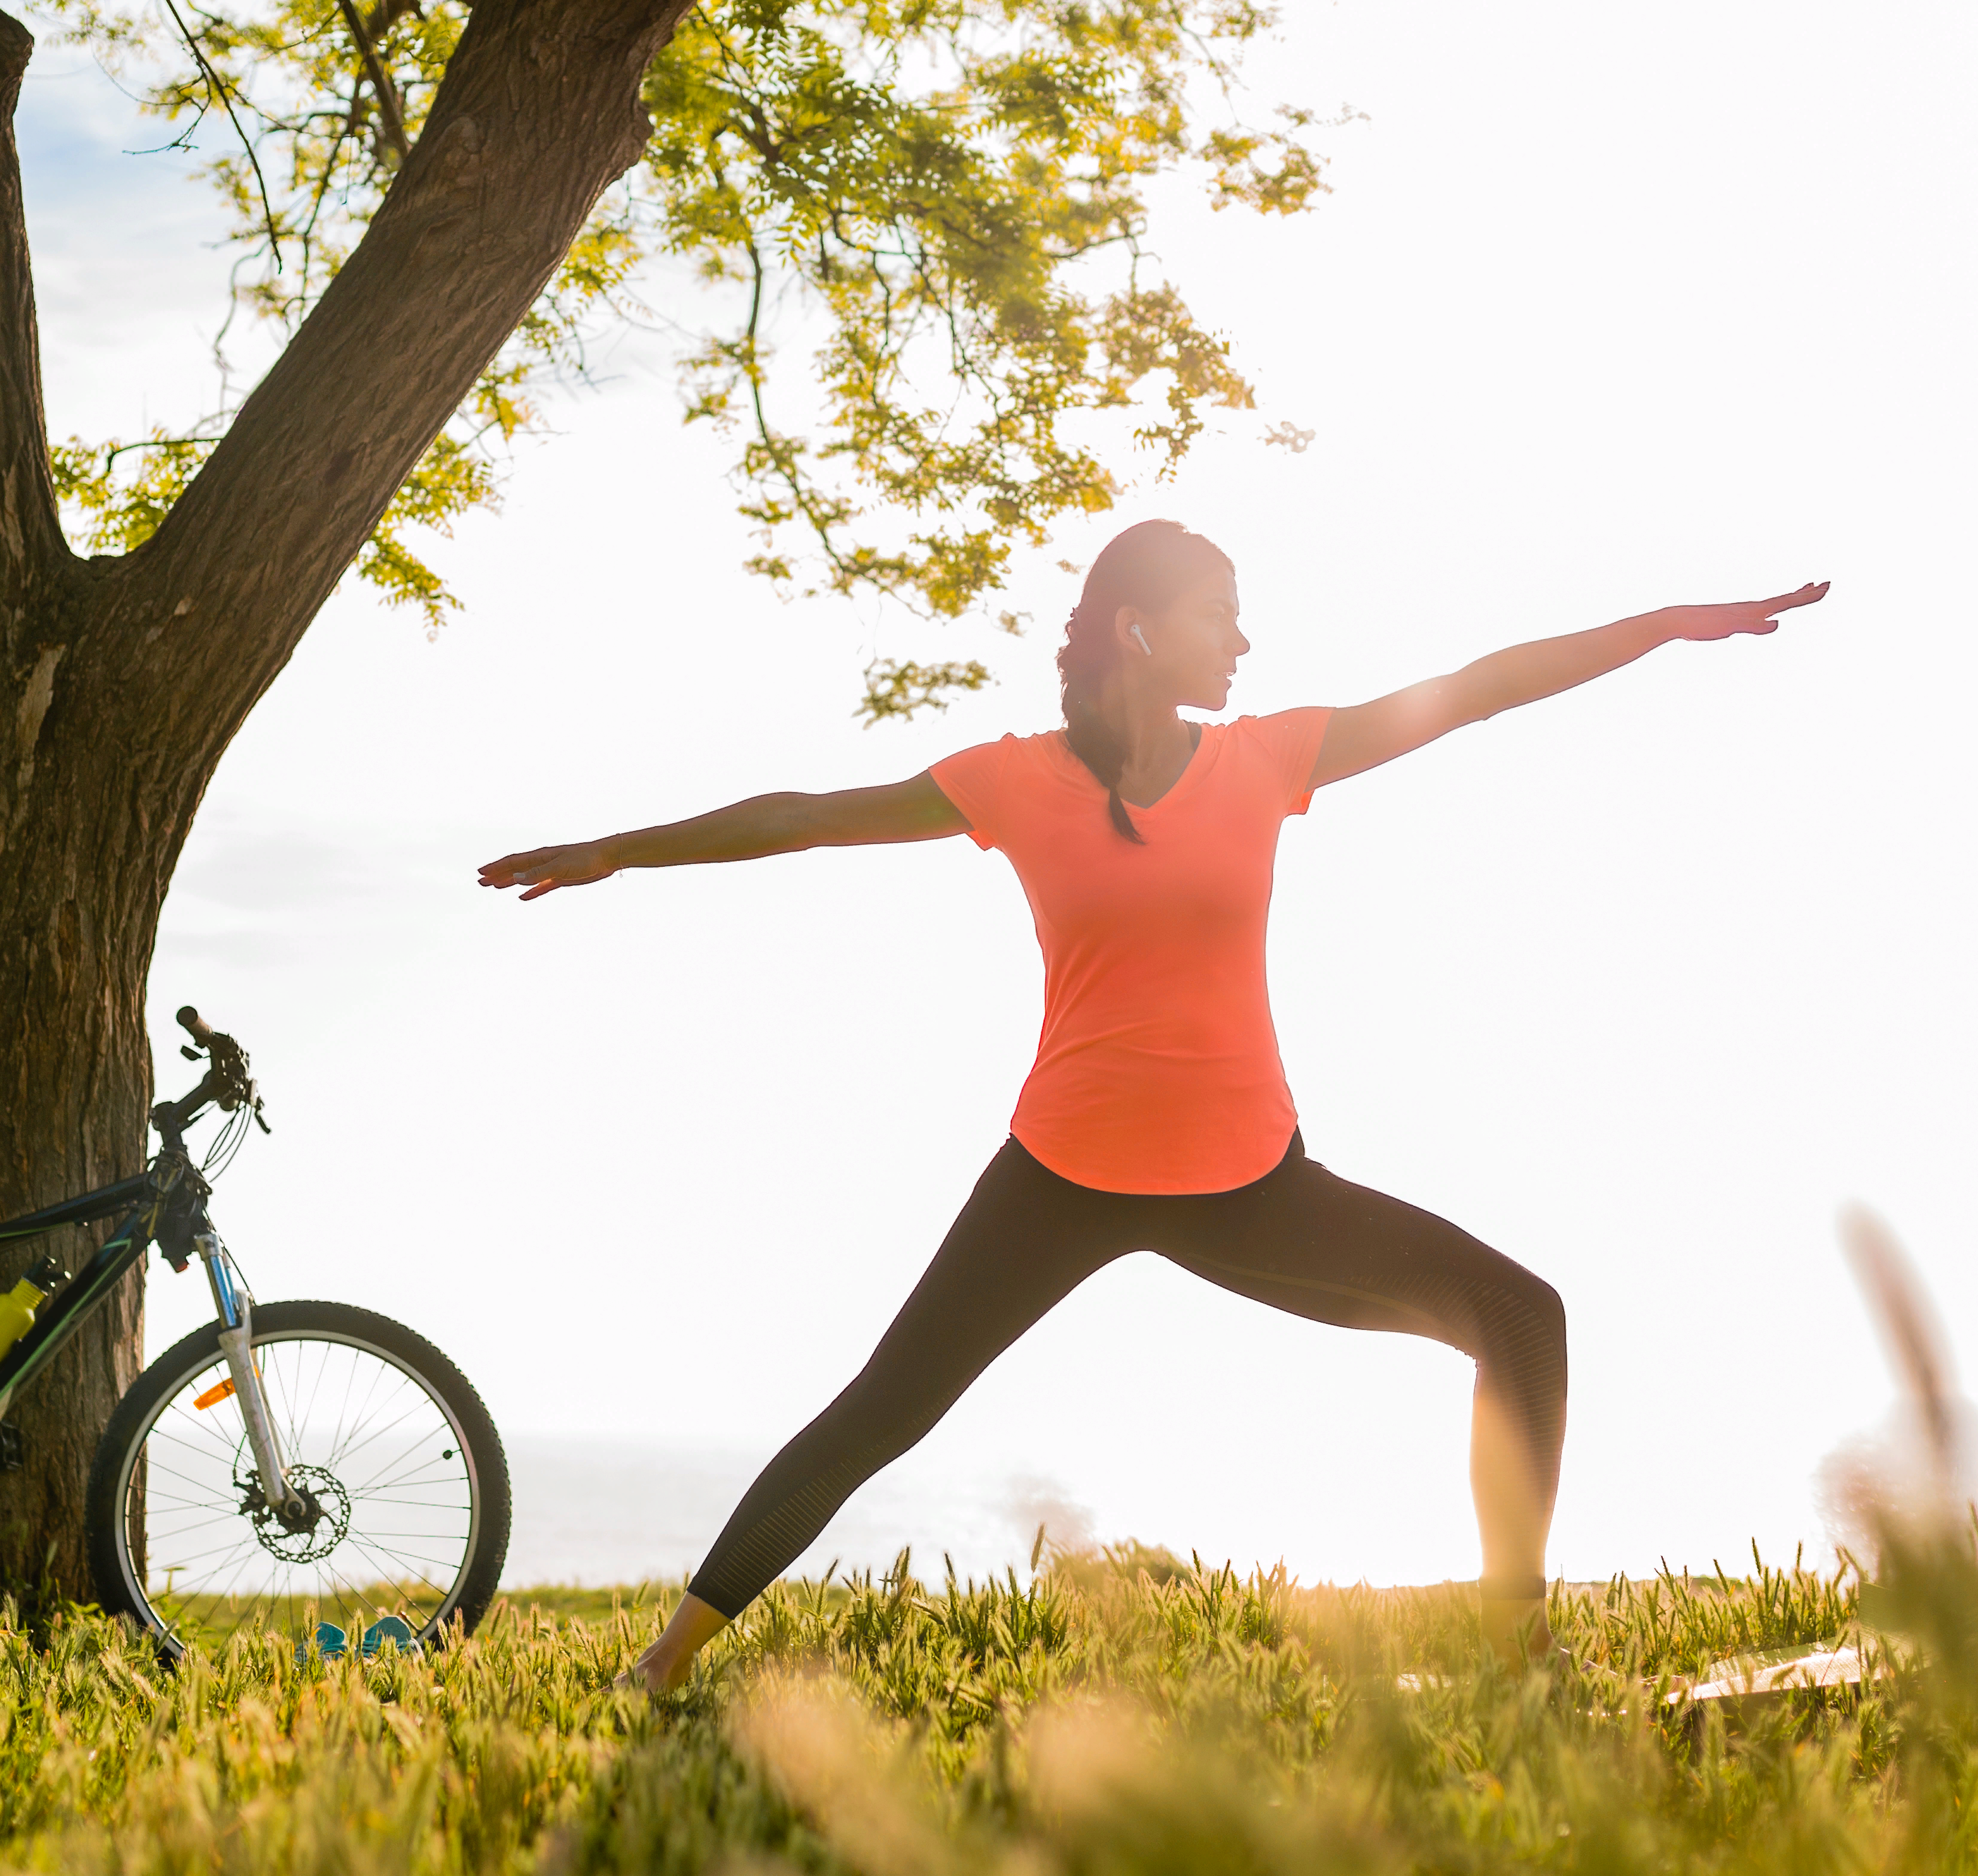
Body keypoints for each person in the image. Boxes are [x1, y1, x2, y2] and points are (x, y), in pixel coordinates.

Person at [479, 520, 1829, 1691]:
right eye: (1218, 614)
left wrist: (1661, 625)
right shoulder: (1012, 780)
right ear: (1138, 628)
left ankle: (1518, 1645)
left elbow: (1476, 689)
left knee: (1523, 1316)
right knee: (884, 1406)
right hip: (1060, 1172)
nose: (1243, 640)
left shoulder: (1267, 761)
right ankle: (666, 1655)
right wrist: (622, 848)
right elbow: (809, 815)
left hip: (1248, 1181)